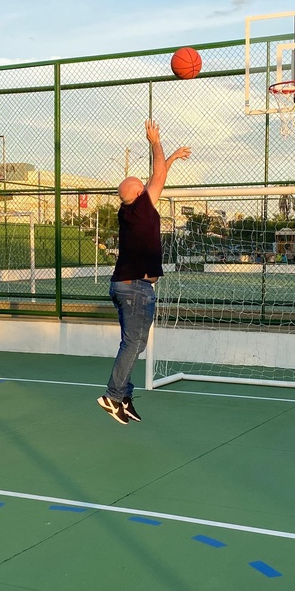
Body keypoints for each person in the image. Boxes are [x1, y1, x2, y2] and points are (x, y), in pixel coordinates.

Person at [97, 119, 190, 425]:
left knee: (134, 342)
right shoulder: (141, 208)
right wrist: (156, 141)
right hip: (135, 288)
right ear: (139, 193)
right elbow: (159, 174)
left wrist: (173, 158)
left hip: (125, 286)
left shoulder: (129, 211)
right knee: (133, 344)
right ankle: (112, 396)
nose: (151, 185)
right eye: (144, 184)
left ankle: (123, 396)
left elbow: (158, 174)